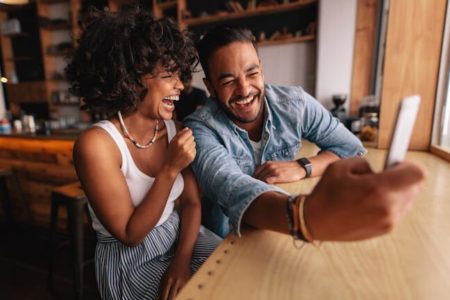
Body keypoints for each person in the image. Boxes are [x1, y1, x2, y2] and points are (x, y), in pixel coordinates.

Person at [184, 26, 425, 242]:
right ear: (210, 87)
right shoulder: (200, 128)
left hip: (280, 233)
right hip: (227, 241)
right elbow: (232, 187)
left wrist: (303, 166)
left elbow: (352, 148)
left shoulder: (294, 103)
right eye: (228, 81)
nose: (245, 89)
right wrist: (305, 216)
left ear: (262, 69)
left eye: (252, 73)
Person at [65, 9, 220, 300]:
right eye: (168, 75)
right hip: (131, 259)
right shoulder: (96, 144)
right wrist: (169, 169)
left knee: (236, 273)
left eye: (180, 74)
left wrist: (182, 260)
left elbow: (191, 204)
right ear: (134, 79)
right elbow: (129, 233)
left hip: (180, 237)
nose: (182, 86)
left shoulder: (175, 128)